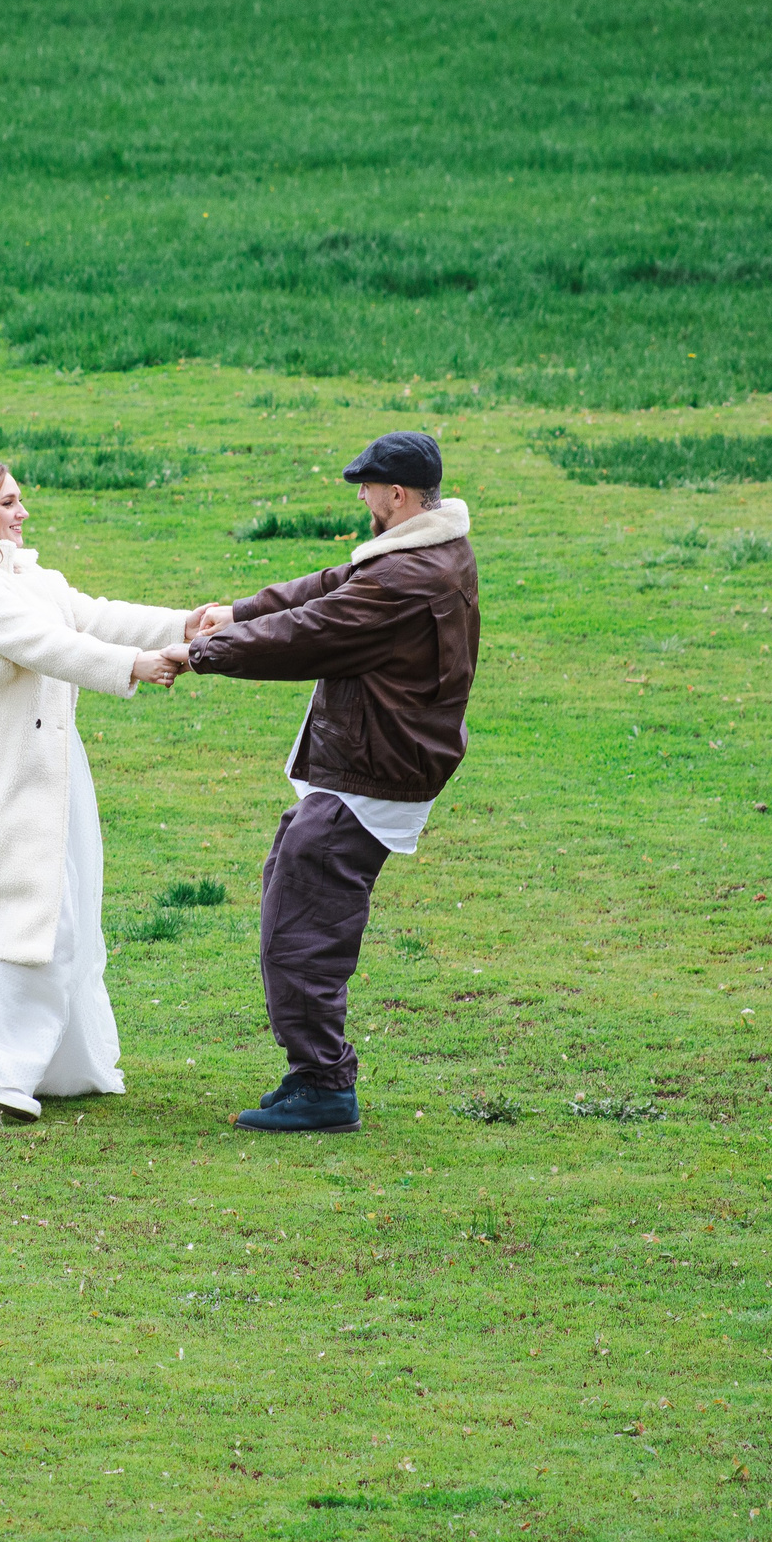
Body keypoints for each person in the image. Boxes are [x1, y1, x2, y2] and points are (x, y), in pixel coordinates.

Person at [0, 457, 226, 1118]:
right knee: (38, 914)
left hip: (49, 767)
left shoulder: (23, 572)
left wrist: (184, 623)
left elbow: (91, 615)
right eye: (9, 503)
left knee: (64, 906)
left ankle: (58, 1064)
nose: (22, 512)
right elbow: (46, 645)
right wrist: (137, 667)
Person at [160, 430, 479, 1134]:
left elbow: (313, 630)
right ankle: (313, 1073)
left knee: (300, 926)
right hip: (378, 761)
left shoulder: (408, 577)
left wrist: (200, 653)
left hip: (376, 770)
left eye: (367, 488)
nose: (361, 499)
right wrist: (241, 610)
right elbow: (333, 585)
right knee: (293, 882)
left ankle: (324, 1084)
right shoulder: (428, 548)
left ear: (396, 495)